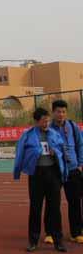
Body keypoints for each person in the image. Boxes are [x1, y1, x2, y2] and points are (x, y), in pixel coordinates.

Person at [14, 108, 67, 253]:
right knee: (35, 208)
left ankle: (58, 241)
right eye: (44, 121)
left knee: (55, 208)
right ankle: (33, 241)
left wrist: (55, 153)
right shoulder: (28, 135)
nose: (46, 123)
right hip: (36, 174)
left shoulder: (54, 134)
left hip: (52, 173)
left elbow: (62, 151)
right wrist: (17, 171)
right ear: (36, 121)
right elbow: (20, 153)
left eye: (48, 121)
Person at [44, 100, 83, 244]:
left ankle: (76, 233)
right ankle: (51, 233)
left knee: (75, 202)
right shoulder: (47, 128)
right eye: (58, 111)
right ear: (53, 112)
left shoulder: (72, 126)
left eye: (63, 112)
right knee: (52, 202)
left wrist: (80, 164)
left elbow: (80, 145)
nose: (61, 114)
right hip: (55, 170)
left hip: (72, 169)